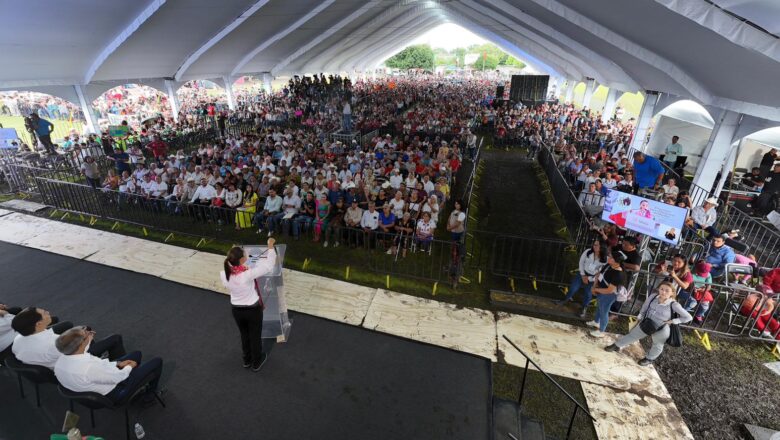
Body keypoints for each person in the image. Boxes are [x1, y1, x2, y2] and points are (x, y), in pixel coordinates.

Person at [54, 327, 164, 404]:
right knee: (157, 362)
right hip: (116, 392)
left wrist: (118, 363)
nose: (91, 334)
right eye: (87, 335)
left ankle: (138, 381)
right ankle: (149, 395)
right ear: (81, 345)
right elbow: (118, 377)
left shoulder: (61, 361)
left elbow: (99, 365)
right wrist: (129, 367)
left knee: (136, 354)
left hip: (95, 386)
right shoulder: (89, 368)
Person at [220, 238, 277, 371]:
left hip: (236, 310)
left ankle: (247, 360)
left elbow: (233, 266)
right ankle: (256, 362)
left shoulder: (225, 274)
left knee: (244, 335)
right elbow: (268, 265)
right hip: (252, 309)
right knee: (255, 335)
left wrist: (236, 253)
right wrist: (270, 247)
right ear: (241, 260)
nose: (247, 255)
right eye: (245, 254)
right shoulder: (247, 274)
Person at [604, 281, 692, 366]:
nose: (663, 292)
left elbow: (688, 317)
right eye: (661, 289)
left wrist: (673, 321)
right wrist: (640, 316)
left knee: (657, 344)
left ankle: (649, 358)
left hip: (661, 327)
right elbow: (645, 306)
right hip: (647, 323)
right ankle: (617, 345)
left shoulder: (674, 304)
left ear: (672, 293)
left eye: (667, 290)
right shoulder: (653, 296)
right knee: (633, 335)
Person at [11, 307, 126, 369]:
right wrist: (87, 339)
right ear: (38, 324)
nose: (48, 312)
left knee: (74, 326)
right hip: (72, 363)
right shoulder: (52, 344)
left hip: (49, 360)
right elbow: (77, 354)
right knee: (115, 338)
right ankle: (118, 366)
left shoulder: (17, 340)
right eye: (45, 313)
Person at [556, 240, 607, 317]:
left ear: (602, 247)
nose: (594, 246)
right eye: (594, 244)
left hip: (592, 278)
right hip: (582, 273)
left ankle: (584, 308)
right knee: (573, 288)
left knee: (588, 293)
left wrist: (589, 278)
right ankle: (565, 299)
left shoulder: (604, 259)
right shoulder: (588, 251)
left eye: (597, 245)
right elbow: (581, 262)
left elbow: (600, 273)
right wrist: (583, 275)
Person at [587, 249, 626, 338]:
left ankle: (601, 331)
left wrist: (596, 290)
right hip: (600, 290)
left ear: (617, 261)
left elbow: (610, 290)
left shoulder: (619, 274)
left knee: (604, 311)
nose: (608, 258)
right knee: (600, 307)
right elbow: (598, 274)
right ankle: (596, 322)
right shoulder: (608, 265)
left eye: (611, 257)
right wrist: (594, 286)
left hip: (608, 295)